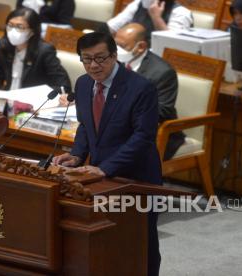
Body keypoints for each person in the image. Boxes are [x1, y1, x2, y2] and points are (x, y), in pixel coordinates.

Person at [52, 32, 162, 276]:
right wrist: (78, 155)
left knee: (141, 244)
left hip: (137, 177)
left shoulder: (140, 88)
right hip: (101, 180)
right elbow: (85, 125)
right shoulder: (82, 84)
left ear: (114, 56)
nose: (93, 65)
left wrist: (105, 167)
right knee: (105, 240)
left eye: (100, 58)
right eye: (87, 59)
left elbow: (143, 137)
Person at [0, 7, 71, 92]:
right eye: (10, 25)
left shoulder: (44, 51)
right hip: (8, 100)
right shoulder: (3, 46)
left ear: (32, 31)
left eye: (19, 27)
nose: (12, 31)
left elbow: (63, 85)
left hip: (32, 104)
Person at [115, 22, 184, 160]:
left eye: (122, 46)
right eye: (114, 44)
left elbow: (163, 110)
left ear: (140, 47)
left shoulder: (162, 72)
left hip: (154, 132)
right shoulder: (112, 62)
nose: (116, 50)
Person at [106, 0, 192, 37]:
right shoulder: (138, 3)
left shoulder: (181, 13)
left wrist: (157, 18)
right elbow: (111, 27)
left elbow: (171, 47)